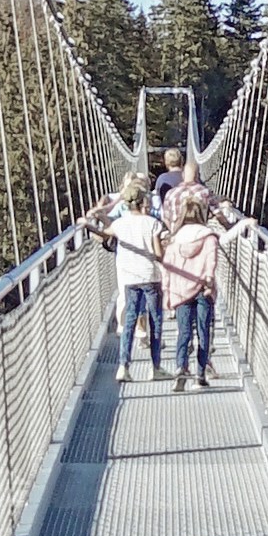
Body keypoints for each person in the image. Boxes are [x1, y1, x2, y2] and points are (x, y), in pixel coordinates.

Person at [163, 175, 222, 392]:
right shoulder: (209, 237)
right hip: (203, 290)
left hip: (180, 291)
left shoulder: (173, 240)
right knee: (204, 332)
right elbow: (211, 263)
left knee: (183, 331)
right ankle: (200, 374)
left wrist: (167, 295)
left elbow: (167, 269)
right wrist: (208, 281)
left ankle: (180, 367)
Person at [111, 163, 168, 381]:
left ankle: (123, 366)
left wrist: (90, 222)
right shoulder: (152, 222)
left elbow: (104, 232)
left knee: (130, 321)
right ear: (144, 201)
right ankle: (155, 367)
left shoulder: (120, 224)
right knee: (155, 321)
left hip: (130, 278)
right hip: (150, 277)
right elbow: (157, 253)